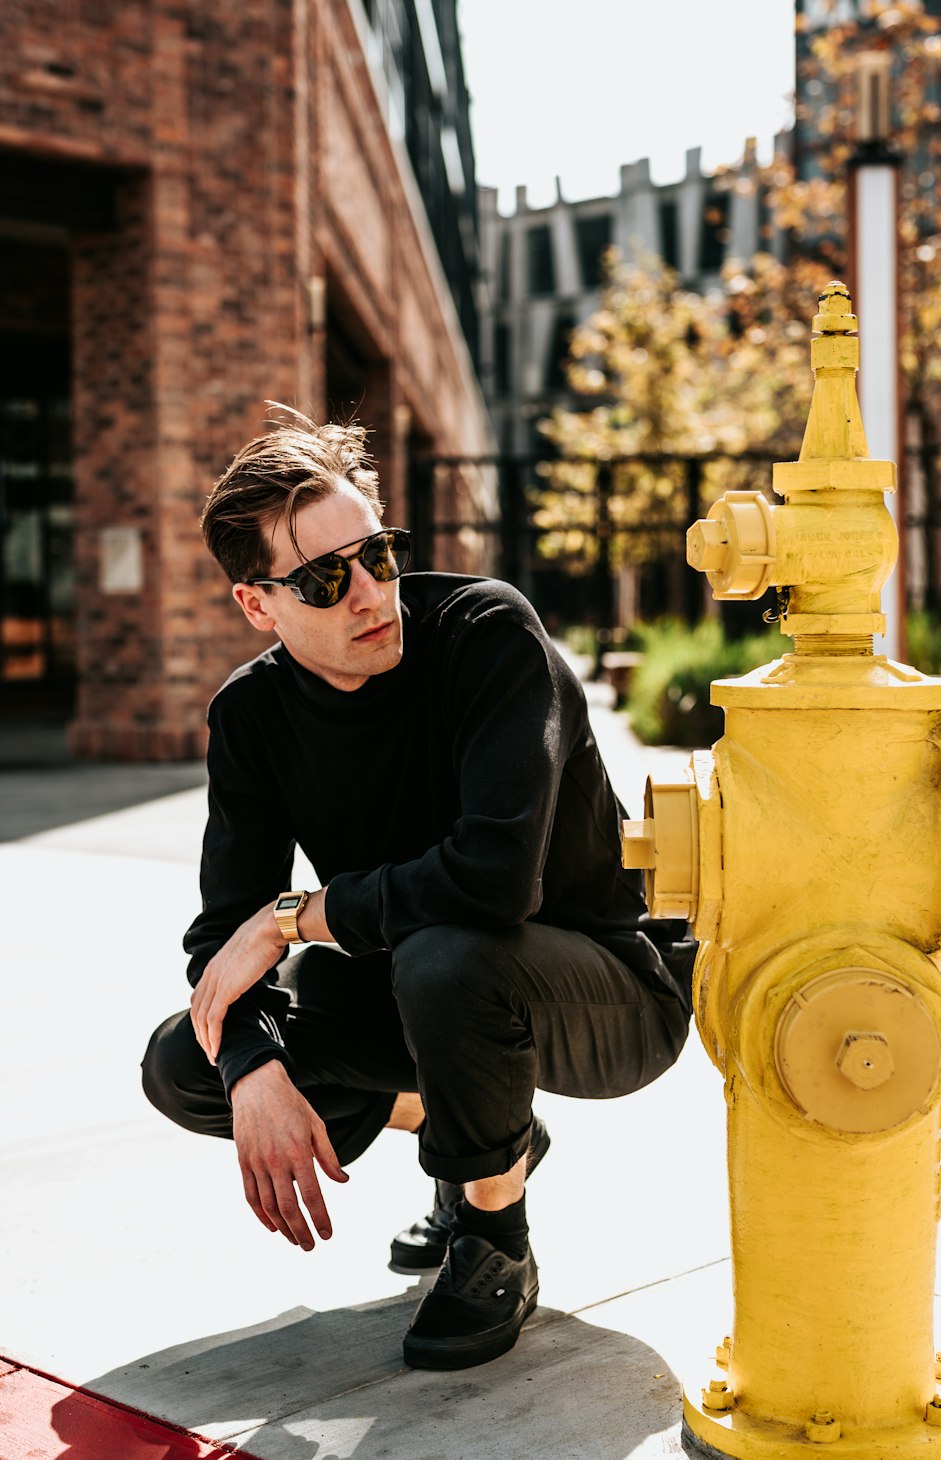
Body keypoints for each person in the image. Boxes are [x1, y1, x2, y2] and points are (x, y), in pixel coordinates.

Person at [142, 407, 694, 1372]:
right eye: (323, 578)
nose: (368, 594)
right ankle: (464, 1123)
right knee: (186, 1060)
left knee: (449, 951)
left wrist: (298, 918)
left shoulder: (486, 634)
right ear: (256, 604)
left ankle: (495, 1237)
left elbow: (491, 883)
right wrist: (253, 1068)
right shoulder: (252, 716)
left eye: (379, 556)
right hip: (424, 999)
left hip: (601, 990)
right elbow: (225, 936)